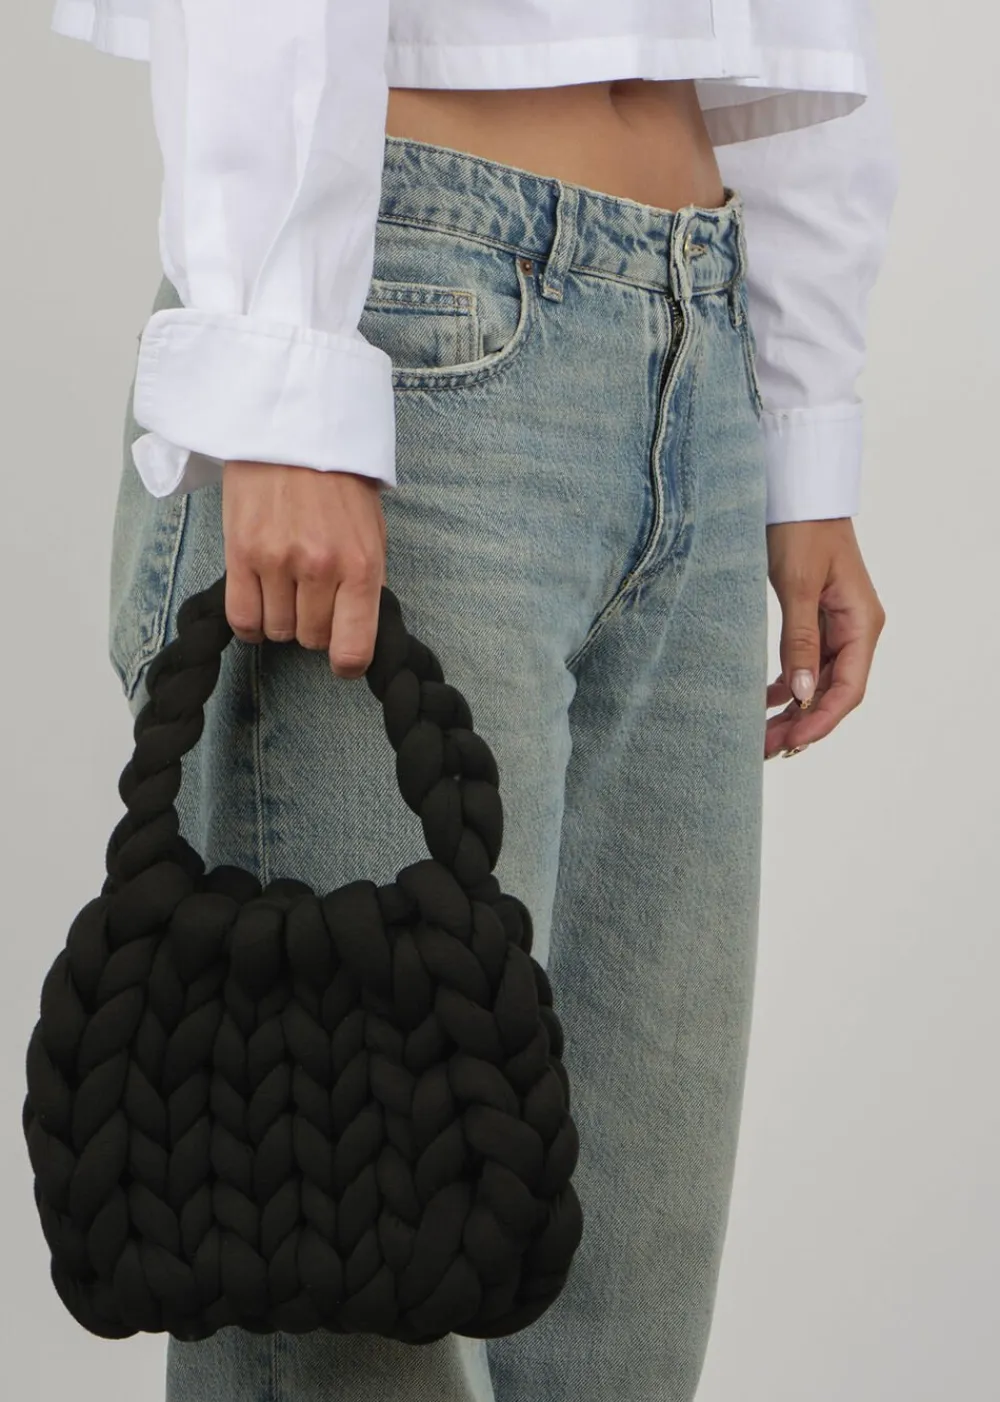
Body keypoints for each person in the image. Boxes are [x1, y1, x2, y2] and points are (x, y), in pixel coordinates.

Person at [54, 1, 899, 1398]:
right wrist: (280, 353)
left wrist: (805, 412)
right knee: (343, 1293)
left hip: (702, 321)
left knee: (623, 1333)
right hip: (409, 308)